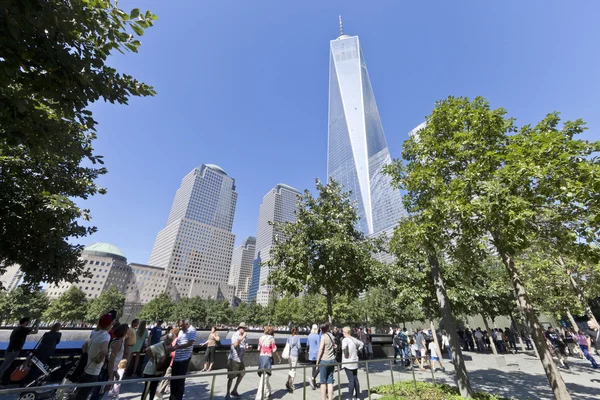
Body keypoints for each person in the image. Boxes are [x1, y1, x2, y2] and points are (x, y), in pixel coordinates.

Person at [75, 314, 112, 400]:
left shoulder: (95, 333)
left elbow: (84, 346)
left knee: (79, 395)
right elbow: (104, 350)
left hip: (85, 369)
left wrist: (87, 355)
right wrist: (98, 360)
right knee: (83, 396)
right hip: (93, 372)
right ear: (110, 325)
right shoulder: (106, 335)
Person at [142, 332, 177, 400]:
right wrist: (154, 358)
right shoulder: (160, 345)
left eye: (171, 340)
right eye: (168, 339)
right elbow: (147, 349)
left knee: (153, 389)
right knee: (147, 389)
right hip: (150, 370)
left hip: (158, 371)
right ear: (166, 338)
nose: (169, 341)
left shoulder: (170, 346)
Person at [170, 319, 196, 400]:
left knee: (180, 381)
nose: (180, 328)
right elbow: (178, 342)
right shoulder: (181, 332)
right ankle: (172, 397)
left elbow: (190, 343)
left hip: (184, 358)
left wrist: (178, 347)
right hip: (177, 358)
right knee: (173, 380)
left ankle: (178, 398)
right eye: (179, 326)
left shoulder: (192, 330)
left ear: (187, 324)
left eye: (182, 326)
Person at [226, 322, 252, 399]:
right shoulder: (235, 335)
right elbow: (235, 344)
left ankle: (234, 390)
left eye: (244, 328)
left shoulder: (244, 338)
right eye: (243, 328)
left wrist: (248, 348)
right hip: (233, 359)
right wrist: (243, 337)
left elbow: (245, 346)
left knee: (242, 374)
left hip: (240, 359)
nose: (244, 330)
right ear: (239, 328)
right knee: (231, 377)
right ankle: (227, 393)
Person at [255, 325, 280, 400]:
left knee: (265, 376)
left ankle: (268, 391)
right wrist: (278, 357)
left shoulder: (261, 337)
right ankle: (258, 397)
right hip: (268, 358)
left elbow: (258, 348)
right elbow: (274, 349)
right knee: (264, 377)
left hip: (261, 357)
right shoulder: (271, 338)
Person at [156, 327, 179, 399]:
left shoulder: (172, 340)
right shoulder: (176, 340)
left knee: (167, 377)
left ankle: (161, 391)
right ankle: (159, 392)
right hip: (172, 361)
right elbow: (173, 352)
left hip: (170, 361)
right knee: (167, 377)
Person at [341, 326, 363, 400]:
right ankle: (358, 396)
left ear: (346, 332)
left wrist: (346, 353)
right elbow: (361, 344)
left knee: (351, 380)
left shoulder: (345, 340)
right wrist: (357, 350)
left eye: (343, 332)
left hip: (348, 362)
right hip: (355, 361)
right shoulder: (353, 339)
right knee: (355, 379)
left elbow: (343, 348)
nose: (342, 333)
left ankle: (350, 397)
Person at [316, 324, 336, 400]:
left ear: (321, 330)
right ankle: (330, 398)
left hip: (324, 360)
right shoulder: (331, 336)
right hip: (332, 360)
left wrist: (318, 360)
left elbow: (321, 349)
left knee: (323, 382)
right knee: (330, 381)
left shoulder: (323, 337)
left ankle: (323, 398)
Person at [285, 327, 300, 393]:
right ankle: (290, 384)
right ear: (296, 331)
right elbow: (299, 346)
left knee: (291, 369)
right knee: (293, 370)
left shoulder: (289, 337)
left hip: (289, 355)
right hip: (295, 355)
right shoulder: (298, 338)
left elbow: (287, 345)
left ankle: (288, 381)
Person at [307, 324, 321, 390]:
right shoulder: (317, 336)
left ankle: (314, 383)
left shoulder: (309, 335)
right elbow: (319, 346)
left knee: (313, 368)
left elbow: (308, 344)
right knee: (320, 367)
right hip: (316, 353)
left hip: (311, 353)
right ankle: (313, 378)